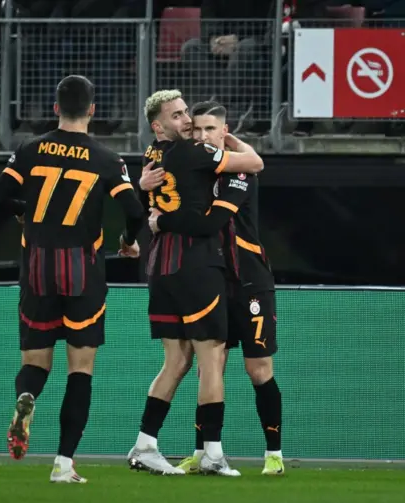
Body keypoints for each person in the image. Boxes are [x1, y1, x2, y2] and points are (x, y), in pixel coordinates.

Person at [0, 75, 144, 483]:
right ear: (93, 110)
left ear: (55, 109)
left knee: (36, 361)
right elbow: (136, 212)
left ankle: (27, 397)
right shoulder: (107, 159)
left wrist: (26, 209)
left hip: (36, 265)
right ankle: (64, 463)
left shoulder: (29, 149)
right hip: (82, 270)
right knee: (81, 368)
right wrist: (127, 242)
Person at [127, 90, 263, 476]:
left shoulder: (154, 155)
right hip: (196, 265)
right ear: (159, 126)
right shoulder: (194, 153)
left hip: (161, 265)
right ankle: (212, 453)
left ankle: (145, 444)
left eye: (189, 114)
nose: (187, 122)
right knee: (211, 360)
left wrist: (152, 210)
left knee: (176, 361)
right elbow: (255, 163)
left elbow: (149, 193)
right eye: (178, 116)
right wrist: (228, 139)